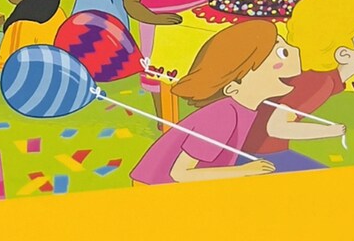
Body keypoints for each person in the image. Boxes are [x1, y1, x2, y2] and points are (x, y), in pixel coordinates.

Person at [130, 21, 313, 185]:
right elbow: (180, 173)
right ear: (233, 86)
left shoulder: (244, 109)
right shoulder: (224, 116)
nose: (296, 52)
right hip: (157, 188)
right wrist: (244, 171)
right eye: (282, 53)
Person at [248, 0, 354, 170]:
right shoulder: (319, 82)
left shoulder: (323, 77)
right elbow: (276, 127)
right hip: (262, 156)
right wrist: (329, 131)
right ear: (344, 54)